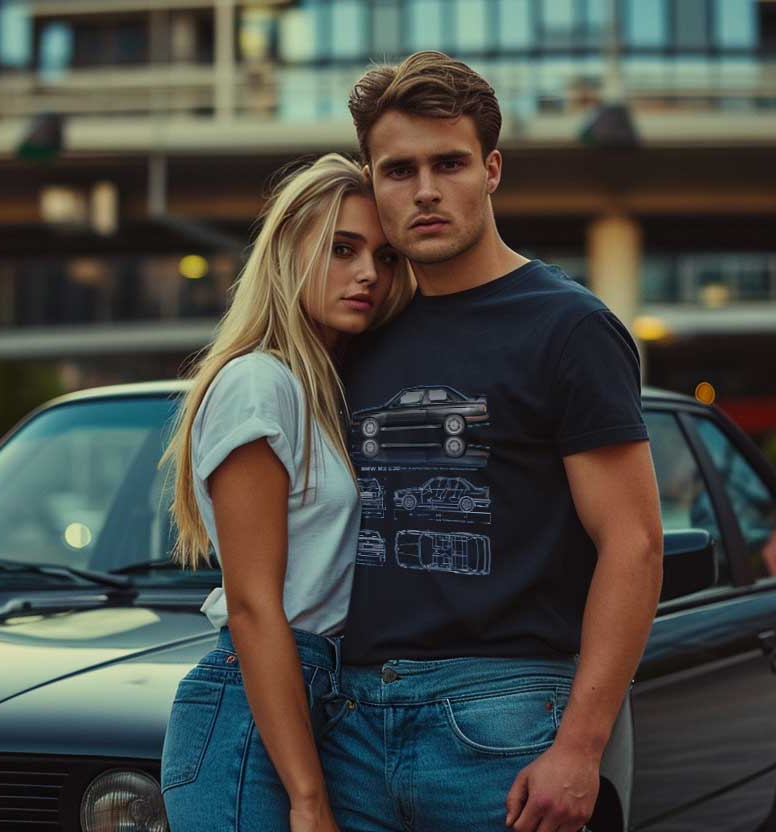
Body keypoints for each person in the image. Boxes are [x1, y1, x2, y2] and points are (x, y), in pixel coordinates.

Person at [318, 52, 664, 832]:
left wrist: (580, 747)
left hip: (501, 721)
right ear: (373, 182)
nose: (426, 190)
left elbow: (635, 544)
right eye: (398, 170)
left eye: (450, 163)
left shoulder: (568, 326)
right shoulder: (359, 332)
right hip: (351, 719)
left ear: (493, 169)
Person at [158, 153, 412, 832]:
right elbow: (251, 608)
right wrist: (307, 795)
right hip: (250, 717)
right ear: (287, 252)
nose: (368, 274)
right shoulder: (258, 384)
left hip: (309, 700)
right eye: (342, 248)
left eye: (385, 258)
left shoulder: (320, 393)